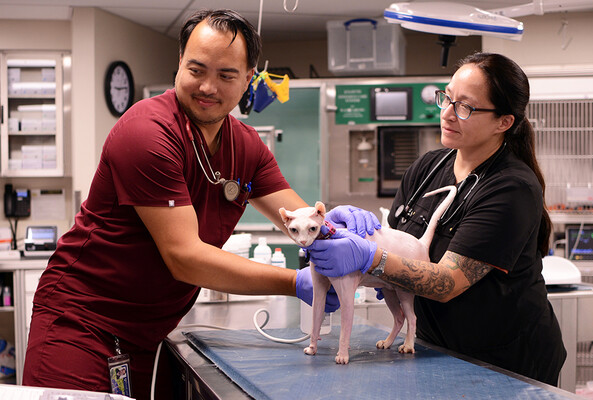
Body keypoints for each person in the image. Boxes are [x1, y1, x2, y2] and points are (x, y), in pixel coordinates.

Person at [22, 9, 378, 399]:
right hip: (80, 324)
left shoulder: (247, 147)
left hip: (147, 335)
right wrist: (295, 282)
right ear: (179, 65)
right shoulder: (147, 132)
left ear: (248, 80)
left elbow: (300, 219)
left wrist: (337, 232)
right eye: (196, 70)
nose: (208, 86)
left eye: (226, 75)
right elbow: (185, 257)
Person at [307, 52, 567, 386]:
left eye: (466, 107)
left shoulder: (511, 188)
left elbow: (447, 283)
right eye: (446, 98)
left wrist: (369, 258)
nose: (446, 113)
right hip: (435, 350)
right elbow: (397, 246)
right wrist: (347, 238)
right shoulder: (428, 167)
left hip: (504, 363)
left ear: (504, 122)